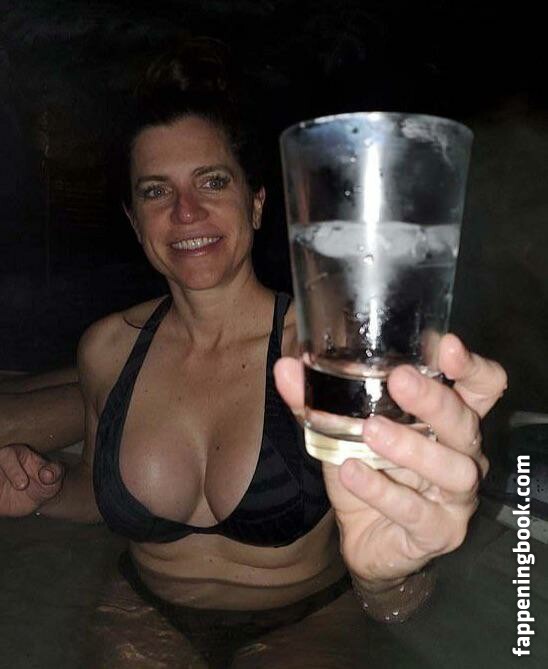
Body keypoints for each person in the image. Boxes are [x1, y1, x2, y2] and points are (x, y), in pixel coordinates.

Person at [0, 39, 506, 668]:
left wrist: (390, 584)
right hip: (144, 611)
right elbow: (101, 498)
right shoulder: (106, 349)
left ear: (258, 201)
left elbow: (400, 569)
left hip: (303, 619)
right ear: (134, 221)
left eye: (212, 181)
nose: (186, 211)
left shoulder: (327, 354)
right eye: (156, 192)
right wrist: (46, 490)